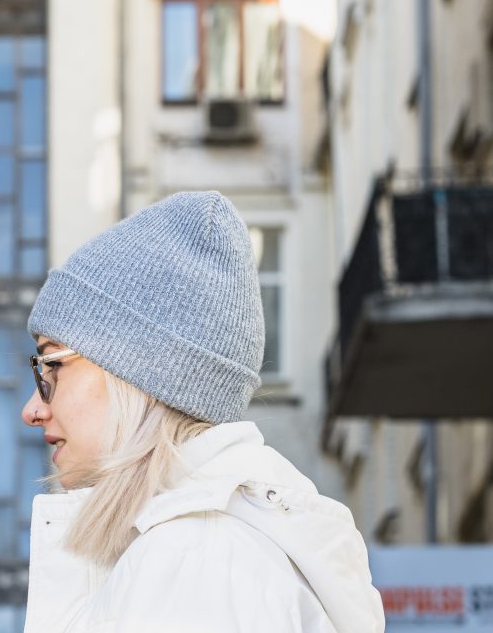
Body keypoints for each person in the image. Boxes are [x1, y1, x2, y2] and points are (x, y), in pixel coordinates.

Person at [20, 191, 385, 632]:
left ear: (138, 370)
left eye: (51, 365)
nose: (33, 409)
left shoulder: (195, 561)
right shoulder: (202, 554)